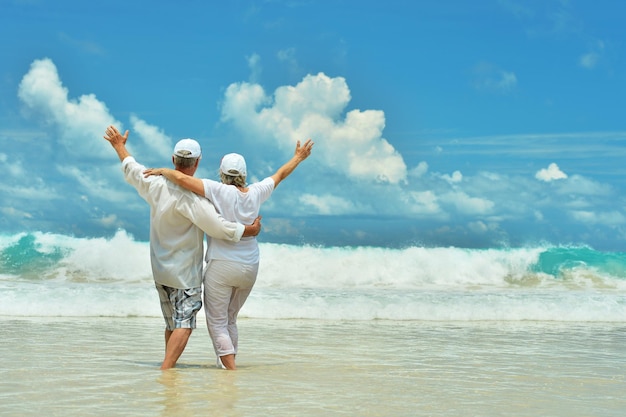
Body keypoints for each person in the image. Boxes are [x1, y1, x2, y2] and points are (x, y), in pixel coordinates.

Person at [144, 138, 314, 369]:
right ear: (244, 174)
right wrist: (298, 157)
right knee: (230, 319)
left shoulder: (217, 190)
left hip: (222, 266)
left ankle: (231, 370)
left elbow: (183, 179)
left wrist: (164, 170)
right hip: (250, 266)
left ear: (222, 173)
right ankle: (226, 366)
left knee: (217, 322)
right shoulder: (256, 192)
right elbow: (280, 175)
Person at [102, 125, 261, 370]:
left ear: (173, 159)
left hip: (160, 269)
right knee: (185, 324)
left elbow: (131, 169)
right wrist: (248, 231)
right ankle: (166, 371)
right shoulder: (193, 198)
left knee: (172, 324)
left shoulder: (154, 183)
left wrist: (119, 146)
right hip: (184, 274)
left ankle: (170, 369)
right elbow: (219, 228)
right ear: (197, 162)